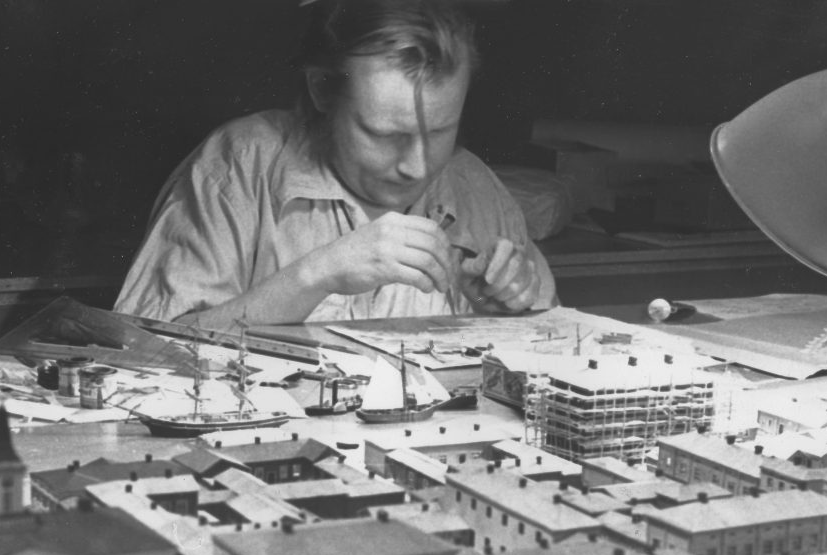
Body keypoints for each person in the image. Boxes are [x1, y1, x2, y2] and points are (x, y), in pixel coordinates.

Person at [115, 0, 556, 324]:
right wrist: (316, 275)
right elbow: (144, 355)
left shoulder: (477, 188)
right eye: (384, 135)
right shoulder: (237, 167)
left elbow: (551, 362)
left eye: (441, 133)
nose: (417, 167)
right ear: (323, 91)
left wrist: (504, 312)